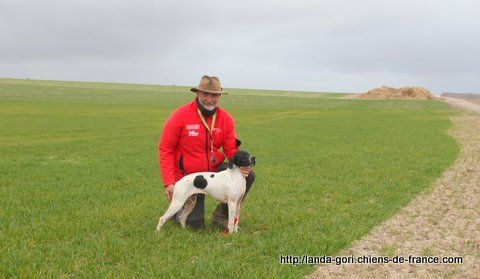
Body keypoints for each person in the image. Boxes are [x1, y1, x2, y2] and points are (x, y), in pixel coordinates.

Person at [158, 75, 255, 230]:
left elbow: (230, 150)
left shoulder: (226, 118)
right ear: (197, 93)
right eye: (205, 94)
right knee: (193, 226)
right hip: (187, 175)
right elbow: (166, 149)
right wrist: (169, 182)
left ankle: (222, 217)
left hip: (214, 172)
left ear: (220, 96)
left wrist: (242, 166)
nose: (210, 99)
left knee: (247, 175)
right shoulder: (180, 116)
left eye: (214, 95)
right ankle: (178, 210)